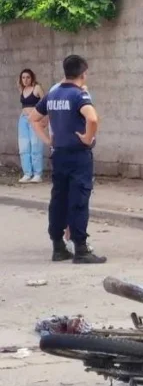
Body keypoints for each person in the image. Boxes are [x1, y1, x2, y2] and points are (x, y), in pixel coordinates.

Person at [28, 55, 106, 264]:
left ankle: (58, 246)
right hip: (78, 155)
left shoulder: (53, 94)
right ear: (83, 73)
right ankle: (81, 249)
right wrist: (88, 138)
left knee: (59, 199)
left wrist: (48, 141)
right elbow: (92, 117)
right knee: (78, 199)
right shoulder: (78, 94)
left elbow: (33, 118)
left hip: (59, 154)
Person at [17, 69, 45, 183]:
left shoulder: (37, 88)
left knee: (35, 146)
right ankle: (27, 173)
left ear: (32, 77)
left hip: (35, 119)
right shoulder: (22, 89)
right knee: (24, 147)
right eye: (23, 77)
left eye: (28, 77)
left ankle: (37, 174)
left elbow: (44, 103)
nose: (25, 80)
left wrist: (43, 119)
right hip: (23, 119)